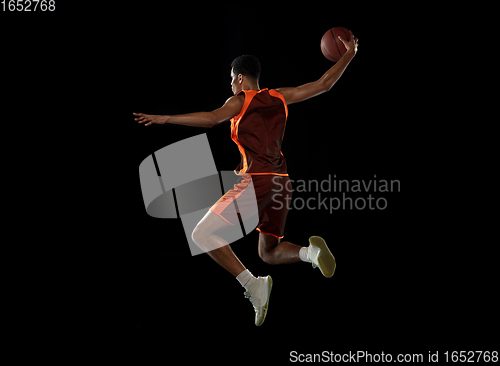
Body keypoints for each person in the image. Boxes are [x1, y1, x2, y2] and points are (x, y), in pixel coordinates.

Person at [134, 31, 358, 326]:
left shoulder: (240, 100)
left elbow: (212, 118)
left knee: (201, 234)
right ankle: (311, 253)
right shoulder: (280, 96)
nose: (230, 83)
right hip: (282, 183)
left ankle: (253, 285)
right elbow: (324, 84)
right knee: (268, 251)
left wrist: (167, 118)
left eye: (231, 79)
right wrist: (350, 53)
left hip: (259, 180)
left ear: (239, 77)